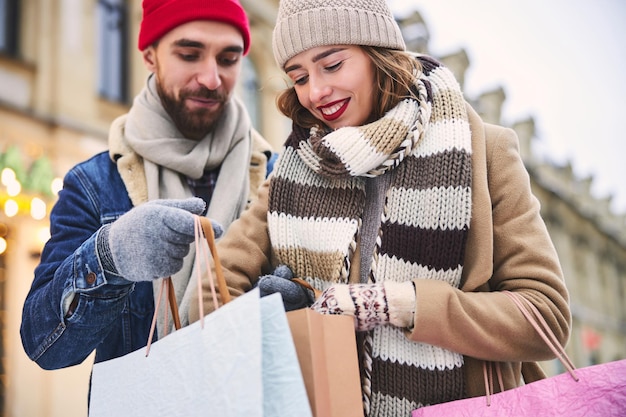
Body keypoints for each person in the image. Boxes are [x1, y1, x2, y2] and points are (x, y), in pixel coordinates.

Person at [190, 0, 572, 416]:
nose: (315, 92)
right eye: (298, 77)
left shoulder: (485, 151)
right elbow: (211, 294)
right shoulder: (294, 169)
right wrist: (271, 319)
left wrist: (398, 304)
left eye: (332, 65)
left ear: (377, 55)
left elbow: (544, 317)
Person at [20, 0, 274, 370]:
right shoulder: (93, 184)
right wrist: (109, 257)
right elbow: (43, 346)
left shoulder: (277, 179)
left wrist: (289, 305)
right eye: (189, 54)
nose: (211, 78)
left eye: (229, 59)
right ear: (150, 56)